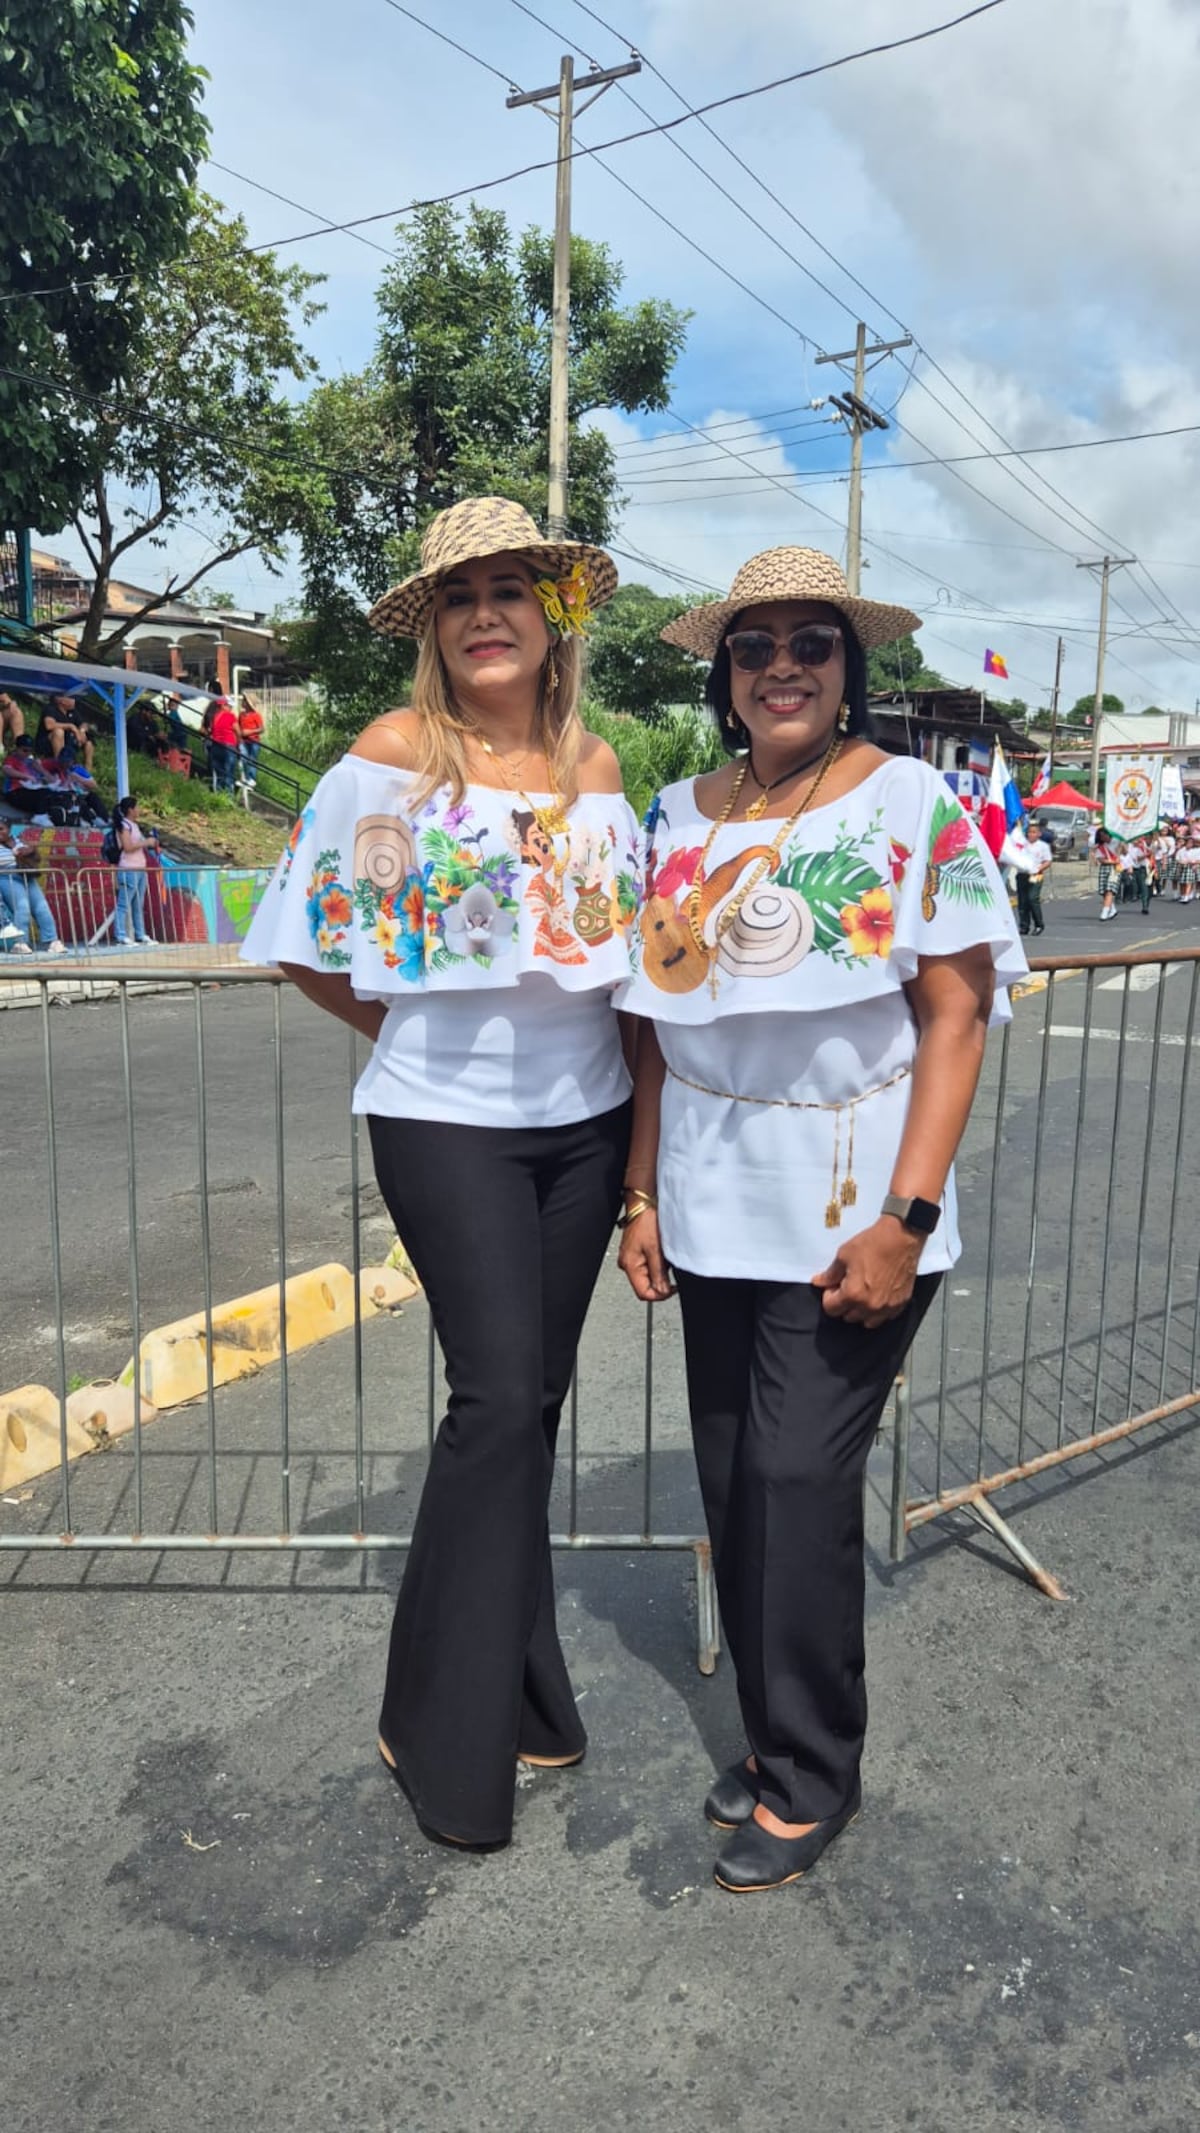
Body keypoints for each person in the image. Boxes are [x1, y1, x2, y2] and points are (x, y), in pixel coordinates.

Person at [616, 547, 1026, 1894]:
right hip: (710, 1194)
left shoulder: (909, 799)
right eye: (755, 647)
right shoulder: (676, 814)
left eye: (812, 643)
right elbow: (651, 1031)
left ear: (849, 668)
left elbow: (956, 1012)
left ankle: (814, 1771)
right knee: (736, 1480)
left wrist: (907, 1217)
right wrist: (640, 1192)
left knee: (797, 1479)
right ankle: (773, 1734)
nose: (782, 667)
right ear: (725, 677)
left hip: (855, 1201)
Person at [241, 497, 637, 1851]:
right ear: (434, 628)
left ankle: (525, 1690)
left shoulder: (595, 767)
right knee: (497, 1397)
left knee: (534, 1402)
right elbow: (302, 934)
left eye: (508, 590)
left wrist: (644, 1167)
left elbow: (626, 960)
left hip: (587, 1123)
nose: (484, 614)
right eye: (459, 596)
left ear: (551, 616)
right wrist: (408, 1033)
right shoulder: (393, 756)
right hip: (443, 1122)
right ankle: (436, 1722)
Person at [0, 820, 65, 954]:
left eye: (1, 829)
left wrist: (28, 851)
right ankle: (20, 942)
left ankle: (52, 940)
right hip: (7, 877)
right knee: (22, 907)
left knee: (42, 907)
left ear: (9, 829)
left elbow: (35, 854)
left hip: (28, 876)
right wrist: (16, 855)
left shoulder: (19, 840)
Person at [110, 796, 160, 946]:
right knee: (123, 904)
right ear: (130, 809)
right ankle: (120, 934)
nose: (139, 810)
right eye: (137, 807)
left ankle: (140, 933)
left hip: (140, 869)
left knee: (138, 904)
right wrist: (146, 842)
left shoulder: (134, 825)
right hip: (128, 869)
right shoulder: (124, 825)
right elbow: (128, 847)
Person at [2, 734, 73, 824]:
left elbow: (47, 777)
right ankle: (40, 816)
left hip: (31, 791)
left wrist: (46, 775)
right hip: (15, 792)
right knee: (43, 793)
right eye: (24, 750)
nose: (27, 754)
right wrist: (26, 776)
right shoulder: (11, 759)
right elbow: (7, 770)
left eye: (30, 751)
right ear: (17, 748)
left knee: (57, 795)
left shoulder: (31, 762)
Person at [1015, 816, 1052, 936]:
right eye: (1029, 832)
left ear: (1039, 834)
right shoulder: (1022, 844)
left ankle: (1038, 924)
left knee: (1032, 898)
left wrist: (1038, 869)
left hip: (1036, 875)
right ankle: (1024, 926)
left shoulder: (1043, 846)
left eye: (1034, 832)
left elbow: (1048, 861)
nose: (1031, 834)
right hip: (1022, 874)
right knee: (1022, 901)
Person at [208, 690, 240, 793]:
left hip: (216, 746)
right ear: (223, 705)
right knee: (229, 772)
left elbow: (210, 730)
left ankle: (219, 794)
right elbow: (238, 731)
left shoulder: (214, 717)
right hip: (228, 746)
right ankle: (229, 795)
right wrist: (239, 745)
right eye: (229, 706)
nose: (231, 708)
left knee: (219, 772)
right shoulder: (230, 716)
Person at [237, 692, 265, 787]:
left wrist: (250, 732)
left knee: (252, 759)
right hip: (243, 741)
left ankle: (252, 778)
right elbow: (238, 726)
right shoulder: (241, 715)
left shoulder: (256, 715)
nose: (242, 702)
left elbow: (261, 729)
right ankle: (245, 777)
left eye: (244, 700)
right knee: (243, 757)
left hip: (253, 741)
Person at [1095, 828, 1122, 920]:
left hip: (1115, 870)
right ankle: (1112, 909)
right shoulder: (1100, 847)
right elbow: (1101, 859)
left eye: (1105, 835)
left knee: (1110, 889)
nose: (1104, 837)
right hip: (1104, 868)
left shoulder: (1117, 841)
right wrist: (1112, 861)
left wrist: (1122, 846)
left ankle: (1104, 912)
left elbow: (1125, 852)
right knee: (1104, 891)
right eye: (1101, 836)